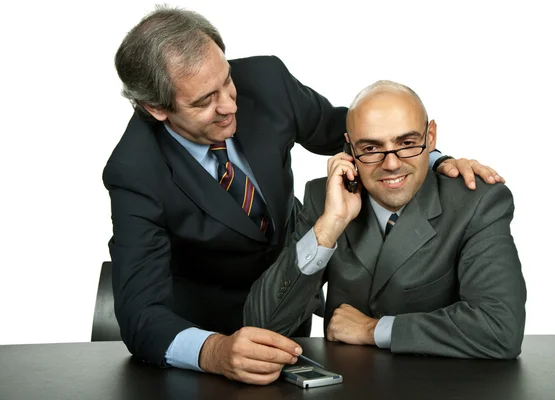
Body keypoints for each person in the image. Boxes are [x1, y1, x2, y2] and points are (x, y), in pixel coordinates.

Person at [103, 6, 505, 385]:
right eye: (205, 101)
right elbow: (140, 314)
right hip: (209, 332)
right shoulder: (134, 171)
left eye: (226, 80)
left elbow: (350, 134)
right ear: (156, 108)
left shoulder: (266, 80)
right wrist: (214, 351)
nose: (229, 105)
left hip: (290, 306)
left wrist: (433, 159)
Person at [245, 80, 527, 359]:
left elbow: (500, 329)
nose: (391, 164)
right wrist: (329, 226)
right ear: (349, 149)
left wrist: (373, 329)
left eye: (406, 143)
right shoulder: (325, 199)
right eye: (370, 148)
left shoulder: (477, 201)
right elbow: (261, 327)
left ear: (430, 137)